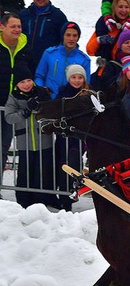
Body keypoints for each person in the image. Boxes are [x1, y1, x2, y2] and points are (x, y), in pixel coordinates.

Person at [4, 64, 56, 209]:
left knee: (43, 171)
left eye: (28, 80)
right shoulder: (14, 97)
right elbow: (9, 117)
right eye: (21, 82)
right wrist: (25, 111)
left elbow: (52, 110)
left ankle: (44, 199)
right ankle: (24, 201)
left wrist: (41, 105)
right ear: (17, 85)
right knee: (25, 173)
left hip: (44, 141)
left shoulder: (42, 93)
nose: (26, 85)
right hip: (24, 142)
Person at [53, 64, 90, 211]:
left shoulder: (87, 94)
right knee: (63, 165)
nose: (77, 80)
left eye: (80, 77)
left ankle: (71, 194)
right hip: (64, 137)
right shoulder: (63, 93)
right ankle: (63, 198)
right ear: (69, 78)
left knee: (74, 166)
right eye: (74, 77)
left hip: (79, 138)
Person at [1, 13, 33, 171]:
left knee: (3, 147)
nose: (17, 30)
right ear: (2, 27)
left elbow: (30, 72)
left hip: (13, 105)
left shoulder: (25, 45)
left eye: (19, 26)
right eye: (13, 26)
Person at [33, 22, 90, 99]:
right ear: (63, 36)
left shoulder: (84, 59)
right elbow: (39, 76)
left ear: (78, 38)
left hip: (71, 102)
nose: (71, 39)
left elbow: (85, 85)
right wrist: (42, 91)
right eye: (68, 35)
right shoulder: (49, 54)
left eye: (75, 35)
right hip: (49, 100)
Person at [19, 0, 67, 73]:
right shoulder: (23, 14)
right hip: (24, 63)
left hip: (48, 64)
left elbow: (65, 39)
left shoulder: (58, 16)